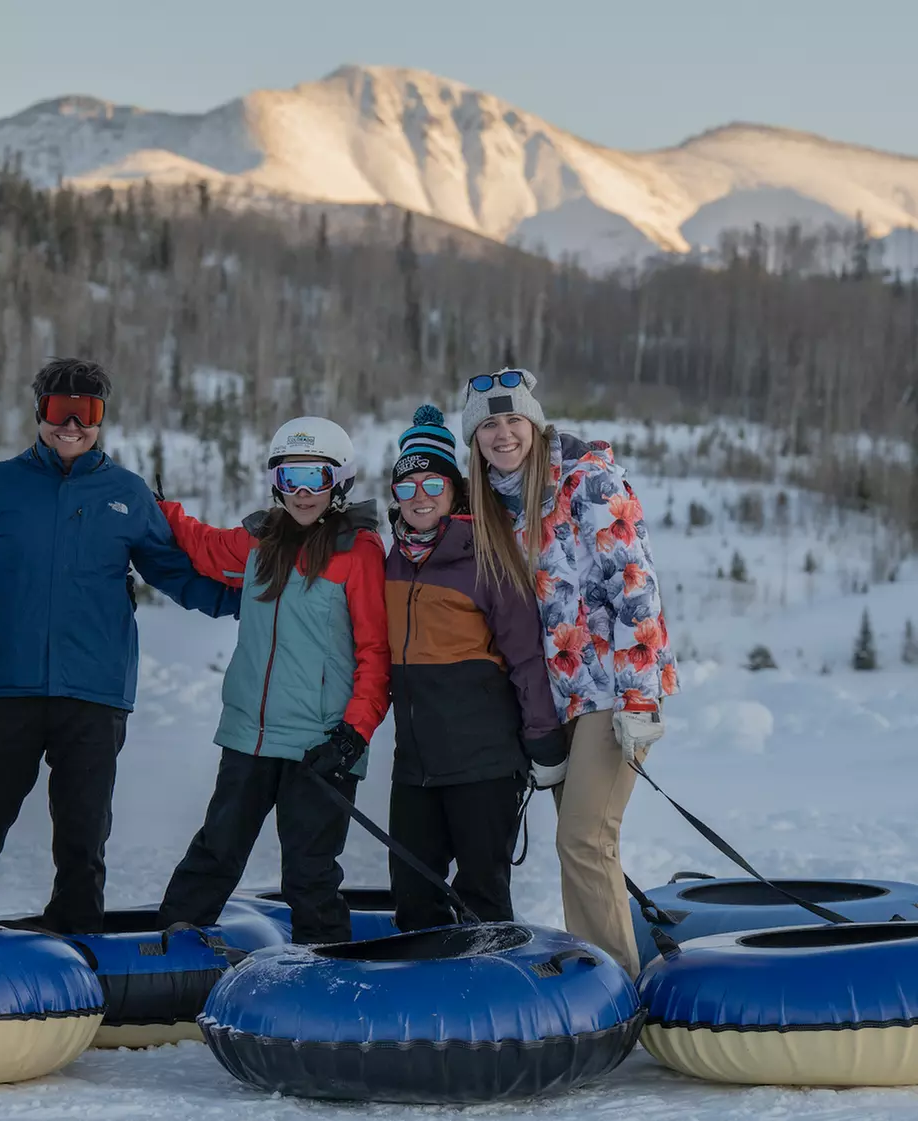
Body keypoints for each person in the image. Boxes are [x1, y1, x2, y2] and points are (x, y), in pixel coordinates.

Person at [0, 358, 241, 933]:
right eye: (60, 410)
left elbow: (175, 572)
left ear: (102, 418)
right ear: (39, 412)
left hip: (96, 691)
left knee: (81, 830)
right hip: (12, 685)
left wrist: (249, 601)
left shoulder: (126, 493)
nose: (72, 425)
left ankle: (78, 943)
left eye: (88, 412)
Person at [463, 368, 679, 973]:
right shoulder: (490, 503)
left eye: (513, 420)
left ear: (534, 422)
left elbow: (635, 586)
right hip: (554, 699)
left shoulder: (587, 480)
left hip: (612, 687)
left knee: (583, 837)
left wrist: (639, 702)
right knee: (583, 845)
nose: (503, 434)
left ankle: (612, 986)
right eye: (488, 424)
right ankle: (604, 968)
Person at [154, 417, 390, 944]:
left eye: (315, 477)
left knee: (309, 872)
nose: (302, 493)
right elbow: (207, 547)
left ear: (340, 482)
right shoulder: (261, 541)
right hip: (250, 736)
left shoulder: (360, 552)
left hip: (323, 743)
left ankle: (325, 972)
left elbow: (376, 653)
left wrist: (353, 734)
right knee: (216, 850)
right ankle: (169, 955)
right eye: (289, 478)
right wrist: (163, 512)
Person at [381, 405, 566, 932]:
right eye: (407, 484)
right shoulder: (386, 562)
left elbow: (528, 656)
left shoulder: (488, 557)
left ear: (456, 490)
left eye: (432, 482)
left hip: (484, 765)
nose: (419, 495)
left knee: (482, 899)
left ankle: (489, 1010)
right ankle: (421, 1009)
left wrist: (543, 741)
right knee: (414, 899)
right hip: (414, 767)